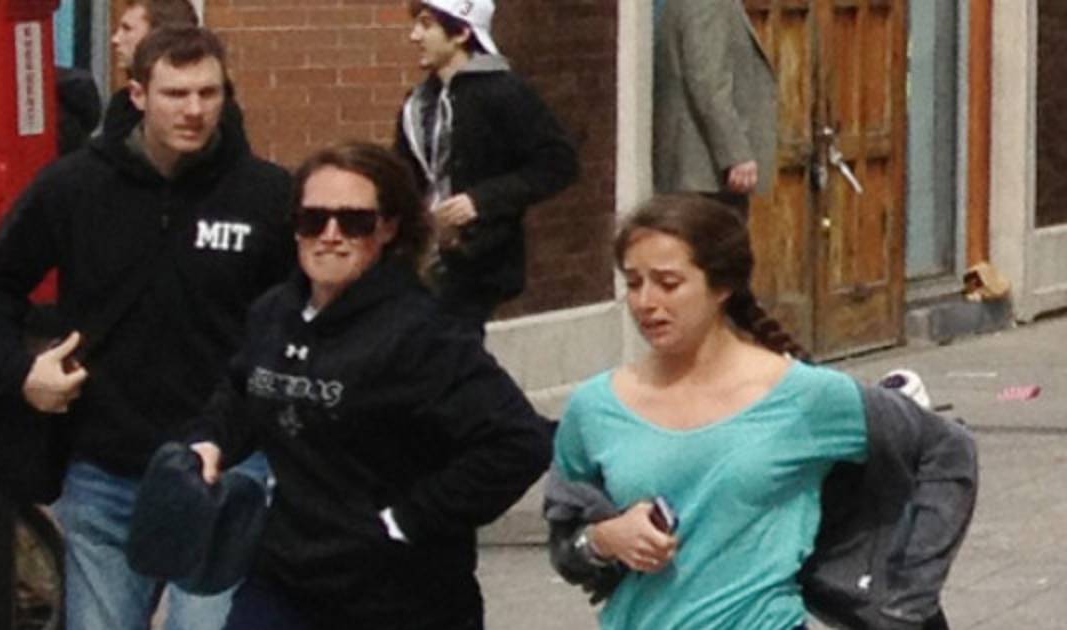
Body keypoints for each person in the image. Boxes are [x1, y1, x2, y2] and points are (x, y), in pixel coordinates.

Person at [0, 26, 294, 630]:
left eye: (208, 93)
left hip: (224, 468)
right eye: (175, 94)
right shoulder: (75, 186)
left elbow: (296, 320)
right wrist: (22, 373)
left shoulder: (267, 196)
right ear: (138, 94)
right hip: (105, 473)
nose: (194, 110)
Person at [545, 194, 975, 629]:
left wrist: (907, 599)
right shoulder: (595, 407)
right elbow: (566, 540)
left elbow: (946, 450)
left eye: (668, 283)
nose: (645, 301)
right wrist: (603, 540)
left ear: (722, 287)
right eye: (634, 283)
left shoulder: (800, 395)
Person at [187, 141, 553, 629]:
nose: (330, 236)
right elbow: (242, 388)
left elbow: (518, 442)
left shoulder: (423, 334)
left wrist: (406, 520)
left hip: (400, 599)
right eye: (312, 220)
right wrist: (211, 441)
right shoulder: (274, 313)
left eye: (354, 222)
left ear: (388, 228)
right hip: (284, 581)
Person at [396, 0, 579, 334]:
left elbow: (558, 162)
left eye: (426, 24)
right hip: (422, 254)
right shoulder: (418, 103)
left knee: (453, 347)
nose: (414, 36)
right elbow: (404, 174)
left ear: (461, 33)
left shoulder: (505, 93)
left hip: (478, 259)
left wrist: (480, 201)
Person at [653, 0, 776, 214]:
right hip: (704, 174)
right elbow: (708, 84)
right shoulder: (708, 3)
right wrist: (736, 153)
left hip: (697, 175)